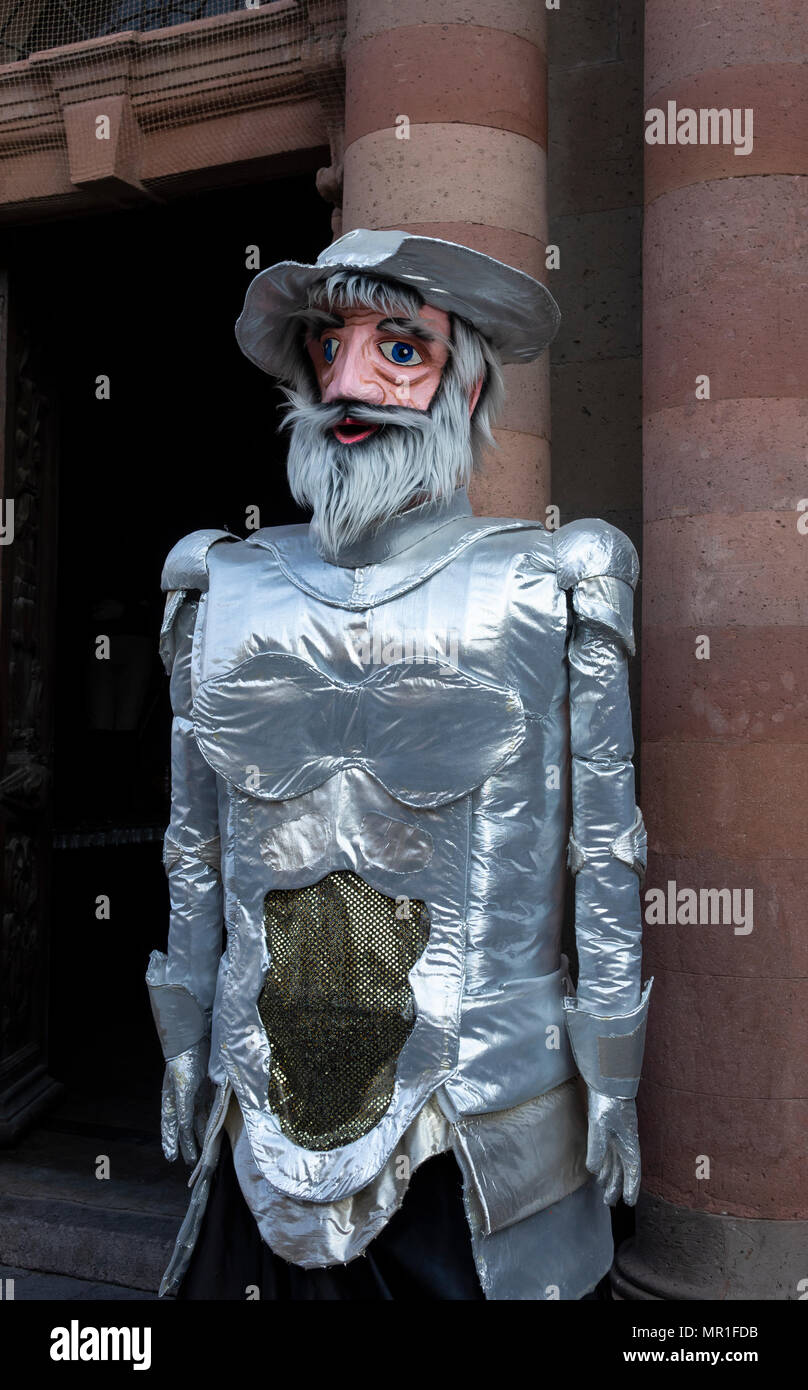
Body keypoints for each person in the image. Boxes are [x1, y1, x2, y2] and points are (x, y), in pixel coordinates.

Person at [146, 229, 652, 1301]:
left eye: (400, 349)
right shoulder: (216, 580)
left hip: (483, 1112)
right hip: (261, 1097)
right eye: (327, 346)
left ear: (468, 392)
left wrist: (614, 1078)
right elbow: (192, 844)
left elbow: (603, 847)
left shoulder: (559, 577)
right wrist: (182, 1037)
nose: (349, 381)